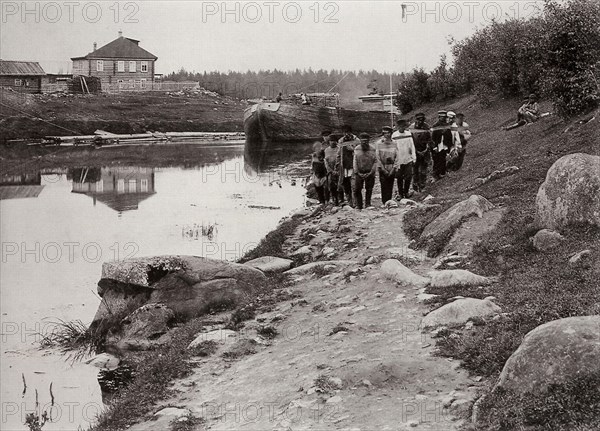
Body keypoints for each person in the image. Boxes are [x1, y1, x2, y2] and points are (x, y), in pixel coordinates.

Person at [392, 119, 417, 199]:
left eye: (403, 126)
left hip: (408, 158)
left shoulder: (408, 134)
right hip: (399, 160)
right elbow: (393, 148)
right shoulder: (394, 135)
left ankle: (406, 192)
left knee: (408, 176)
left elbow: (412, 146)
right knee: (399, 177)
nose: (402, 128)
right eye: (400, 126)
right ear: (398, 127)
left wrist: (414, 157)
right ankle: (400, 193)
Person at [353, 132, 377, 210]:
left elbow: (375, 161)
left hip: (370, 172)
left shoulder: (373, 149)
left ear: (369, 140)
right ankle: (359, 205)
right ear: (360, 141)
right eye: (363, 141)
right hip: (359, 172)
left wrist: (371, 172)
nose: (364, 142)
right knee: (357, 189)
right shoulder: (356, 149)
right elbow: (355, 161)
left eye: (366, 141)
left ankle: (368, 203)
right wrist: (357, 172)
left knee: (369, 189)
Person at [409, 112, 432, 192]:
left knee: (423, 170)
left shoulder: (427, 127)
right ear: (416, 120)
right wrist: (416, 151)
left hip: (425, 151)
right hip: (415, 151)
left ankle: (422, 185)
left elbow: (430, 139)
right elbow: (410, 141)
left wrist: (426, 149)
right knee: (415, 169)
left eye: (422, 119)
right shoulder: (411, 128)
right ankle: (415, 185)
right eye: (418, 119)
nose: (420, 121)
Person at [376, 126, 398, 204]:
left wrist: (394, 168)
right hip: (383, 166)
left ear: (391, 133)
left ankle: (389, 201)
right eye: (385, 133)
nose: (387, 135)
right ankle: (384, 202)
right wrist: (382, 169)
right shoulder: (379, 143)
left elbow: (397, 156)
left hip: (391, 166)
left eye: (388, 133)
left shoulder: (394, 143)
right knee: (384, 184)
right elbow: (377, 157)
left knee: (390, 184)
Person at [337, 125, 359, 206]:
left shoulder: (356, 140)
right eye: (345, 132)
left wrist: (352, 149)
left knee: (354, 185)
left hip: (353, 165)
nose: (346, 134)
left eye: (348, 132)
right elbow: (338, 154)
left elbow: (360, 152)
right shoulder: (341, 141)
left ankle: (355, 203)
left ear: (351, 132)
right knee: (346, 185)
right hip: (344, 166)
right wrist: (337, 166)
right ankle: (350, 203)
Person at [430, 110, 454, 180]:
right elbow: (433, 138)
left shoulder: (447, 125)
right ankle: (435, 174)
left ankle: (442, 172)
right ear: (439, 117)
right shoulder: (435, 126)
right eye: (441, 117)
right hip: (438, 145)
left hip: (445, 144)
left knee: (443, 158)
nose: (443, 119)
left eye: (444, 117)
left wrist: (450, 145)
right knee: (437, 160)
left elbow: (449, 136)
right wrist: (434, 147)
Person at [324, 132, 342, 205]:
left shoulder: (339, 149)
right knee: (332, 186)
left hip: (339, 170)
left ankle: (341, 199)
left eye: (334, 141)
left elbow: (341, 160)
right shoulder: (326, 150)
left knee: (340, 185)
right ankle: (335, 199)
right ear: (329, 142)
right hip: (330, 171)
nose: (333, 142)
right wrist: (330, 170)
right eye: (331, 141)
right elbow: (326, 162)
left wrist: (338, 170)